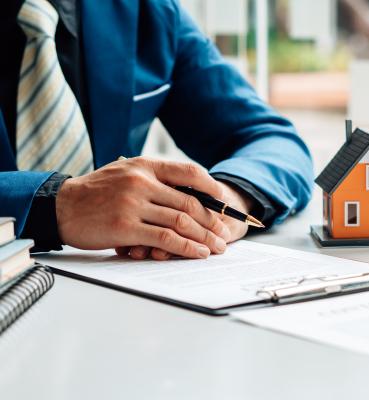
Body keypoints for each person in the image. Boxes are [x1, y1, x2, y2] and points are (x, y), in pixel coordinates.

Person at [0, 0, 313, 261]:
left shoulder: (149, 10)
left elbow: (272, 139)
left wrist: (228, 196)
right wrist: (58, 205)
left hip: (116, 293)